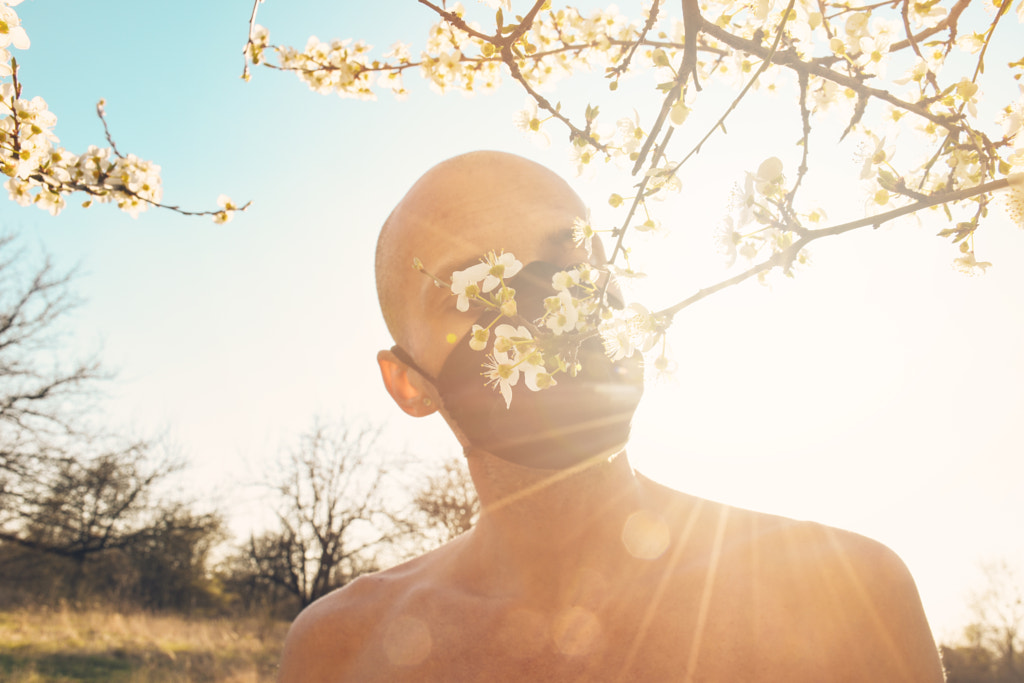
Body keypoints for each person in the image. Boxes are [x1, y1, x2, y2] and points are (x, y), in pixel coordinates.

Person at [278, 151, 946, 682]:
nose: (547, 299)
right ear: (408, 384)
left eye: (571, 253)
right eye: (474, 287)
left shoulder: (843, 594)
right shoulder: (341, 651)